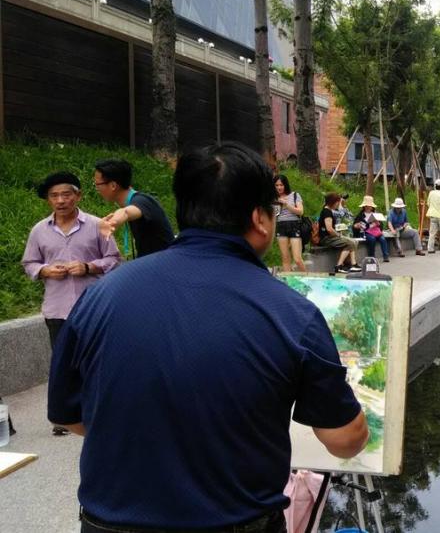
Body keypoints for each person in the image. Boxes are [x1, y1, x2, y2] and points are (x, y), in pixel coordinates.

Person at [47, 142, 368, 532]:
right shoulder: (291, 312)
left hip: (107, 525)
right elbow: (345, 440)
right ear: (260, 218)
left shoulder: (100, 297)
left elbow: (71, 417)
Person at [23, 172, 121, 436]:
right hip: (57, 308)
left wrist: (89, 266)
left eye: (66, 194)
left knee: (96, 359)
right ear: (48, 200)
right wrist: (44, 270)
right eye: (54, 196)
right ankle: (64, 417)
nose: (60, 200)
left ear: (78, 196)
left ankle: (97, 410)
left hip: (92, 306)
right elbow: (29, 263)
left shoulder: (98, 225)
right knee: (62, 362)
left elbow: (114, 259)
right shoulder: (39, 230)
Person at [93, 159, 174, 258]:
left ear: (113, 185)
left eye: (97, 184)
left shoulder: (142, 201)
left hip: (165, 266)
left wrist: (112, 222)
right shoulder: (134, 200)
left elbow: (126, 212)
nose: (96, 188)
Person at [317, 193, 363, 273]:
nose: (339, 204)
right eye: (338, 202)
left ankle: (353, 264)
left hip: (330, 237)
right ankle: (339, 266)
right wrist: (339, 236)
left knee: (354, 241)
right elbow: (329, 229)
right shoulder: (327, 212)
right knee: (350, 243)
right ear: (334, 202)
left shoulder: (328, 211)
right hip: (327, 238)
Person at [272, 174, 307, 272]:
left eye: (281, 185)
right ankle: (287, 283)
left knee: (297, 259)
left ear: (285, 185)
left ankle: (307, 279)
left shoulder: (295, 195)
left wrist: (286, 205)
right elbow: (272, 216)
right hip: (280, 226)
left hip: (294, 225)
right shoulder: (272, 198)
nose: (279, 187)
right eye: (277, 185)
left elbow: (300, 211)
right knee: (285, 258)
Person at [352, 195, 390, 262]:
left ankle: (386, 256)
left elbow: (381, 226)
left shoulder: (376, 214)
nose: (368, 207)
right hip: (366, 232)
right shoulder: (360, 215)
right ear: (364, 206)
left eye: (369, 206)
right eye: (366, 206)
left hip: (375, 231)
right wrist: (357, 226)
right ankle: (372, 256)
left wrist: (378, 224)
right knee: (372, 239)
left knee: (383, 239)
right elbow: (355, 226)